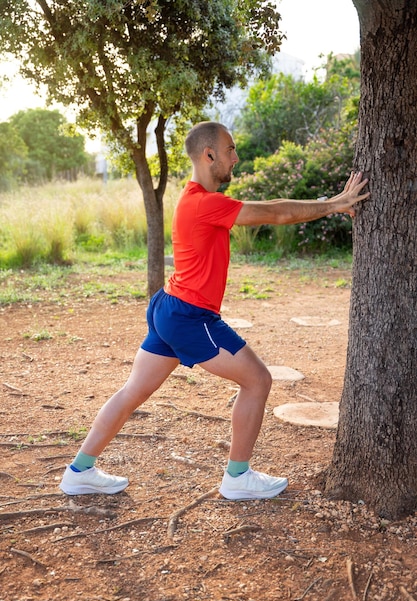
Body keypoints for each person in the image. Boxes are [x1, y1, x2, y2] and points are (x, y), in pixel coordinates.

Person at [60, 121, 369, 500]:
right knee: (258, 380)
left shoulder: (194, 198)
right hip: (189, 316)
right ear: (209, 155)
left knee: (132, 392)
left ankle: (80, 471)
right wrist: (334, 204)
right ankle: (237, 478)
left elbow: (272, 211)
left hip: (169, 307)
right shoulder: (205, 204)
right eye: (230, 150)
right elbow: (276, 214)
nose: (236, 158)